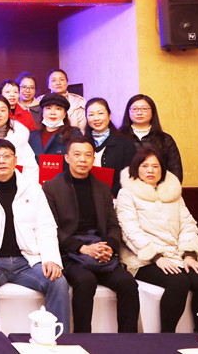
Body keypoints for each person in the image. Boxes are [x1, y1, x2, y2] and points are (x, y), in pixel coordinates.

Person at [0, 139, 69, 331]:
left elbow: (46, 227)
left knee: (57, 281)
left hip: (27, 261)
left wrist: (51, 259)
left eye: (6, 156)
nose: (1, 161)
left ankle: (59, 339)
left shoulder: (32, 189)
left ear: (15, 160)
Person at [43, 136, 139, 333]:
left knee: (128, 283)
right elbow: (50, 228)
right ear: (67, 158)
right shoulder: (52, 187)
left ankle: (128, 341)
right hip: (70, 253)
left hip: (101, 251)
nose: (82, 159)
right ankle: (83, 338)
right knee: (86, 281)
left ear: (93, 159)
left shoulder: (102, 187)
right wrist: (82, 248)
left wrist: (108, 247)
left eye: (88, 155)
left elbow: (113, 225)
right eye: (77, 154)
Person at [116, 147, 198, 332]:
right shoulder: (127, 194)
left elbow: (188, 225)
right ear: (136, 168)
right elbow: (129, 231)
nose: (150, 170)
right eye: (145, 166)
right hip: (143, 259)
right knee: (178, 282)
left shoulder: (173, 194)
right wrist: (156, 256)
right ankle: (167, 336)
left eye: (156, 166)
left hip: (177, 256)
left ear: (162, 169)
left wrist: (189, 254)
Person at [119, 94, 183, 183]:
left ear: (152, 111)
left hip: (158, 189)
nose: (139, 112)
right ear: (128, 112)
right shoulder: (119, 137)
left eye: (144, 109)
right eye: (135, 109)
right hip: (126, 188)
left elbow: (175, 171)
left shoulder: (165, 139)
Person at [83, 98, 136, 197]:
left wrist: (111, 194)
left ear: (109, 115)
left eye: (100, 113)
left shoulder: (125, 143)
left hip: (116, 197)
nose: (96, 118)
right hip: (86, 196)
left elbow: (130, 174)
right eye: (91, 114)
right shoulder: (81, 143)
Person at [28, 92, 78, 165]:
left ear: (65, 114)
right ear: (42, 112)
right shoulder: (32, 136)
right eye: (48, 108)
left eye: (58, 109)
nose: (53, 113)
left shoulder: (74, 134)